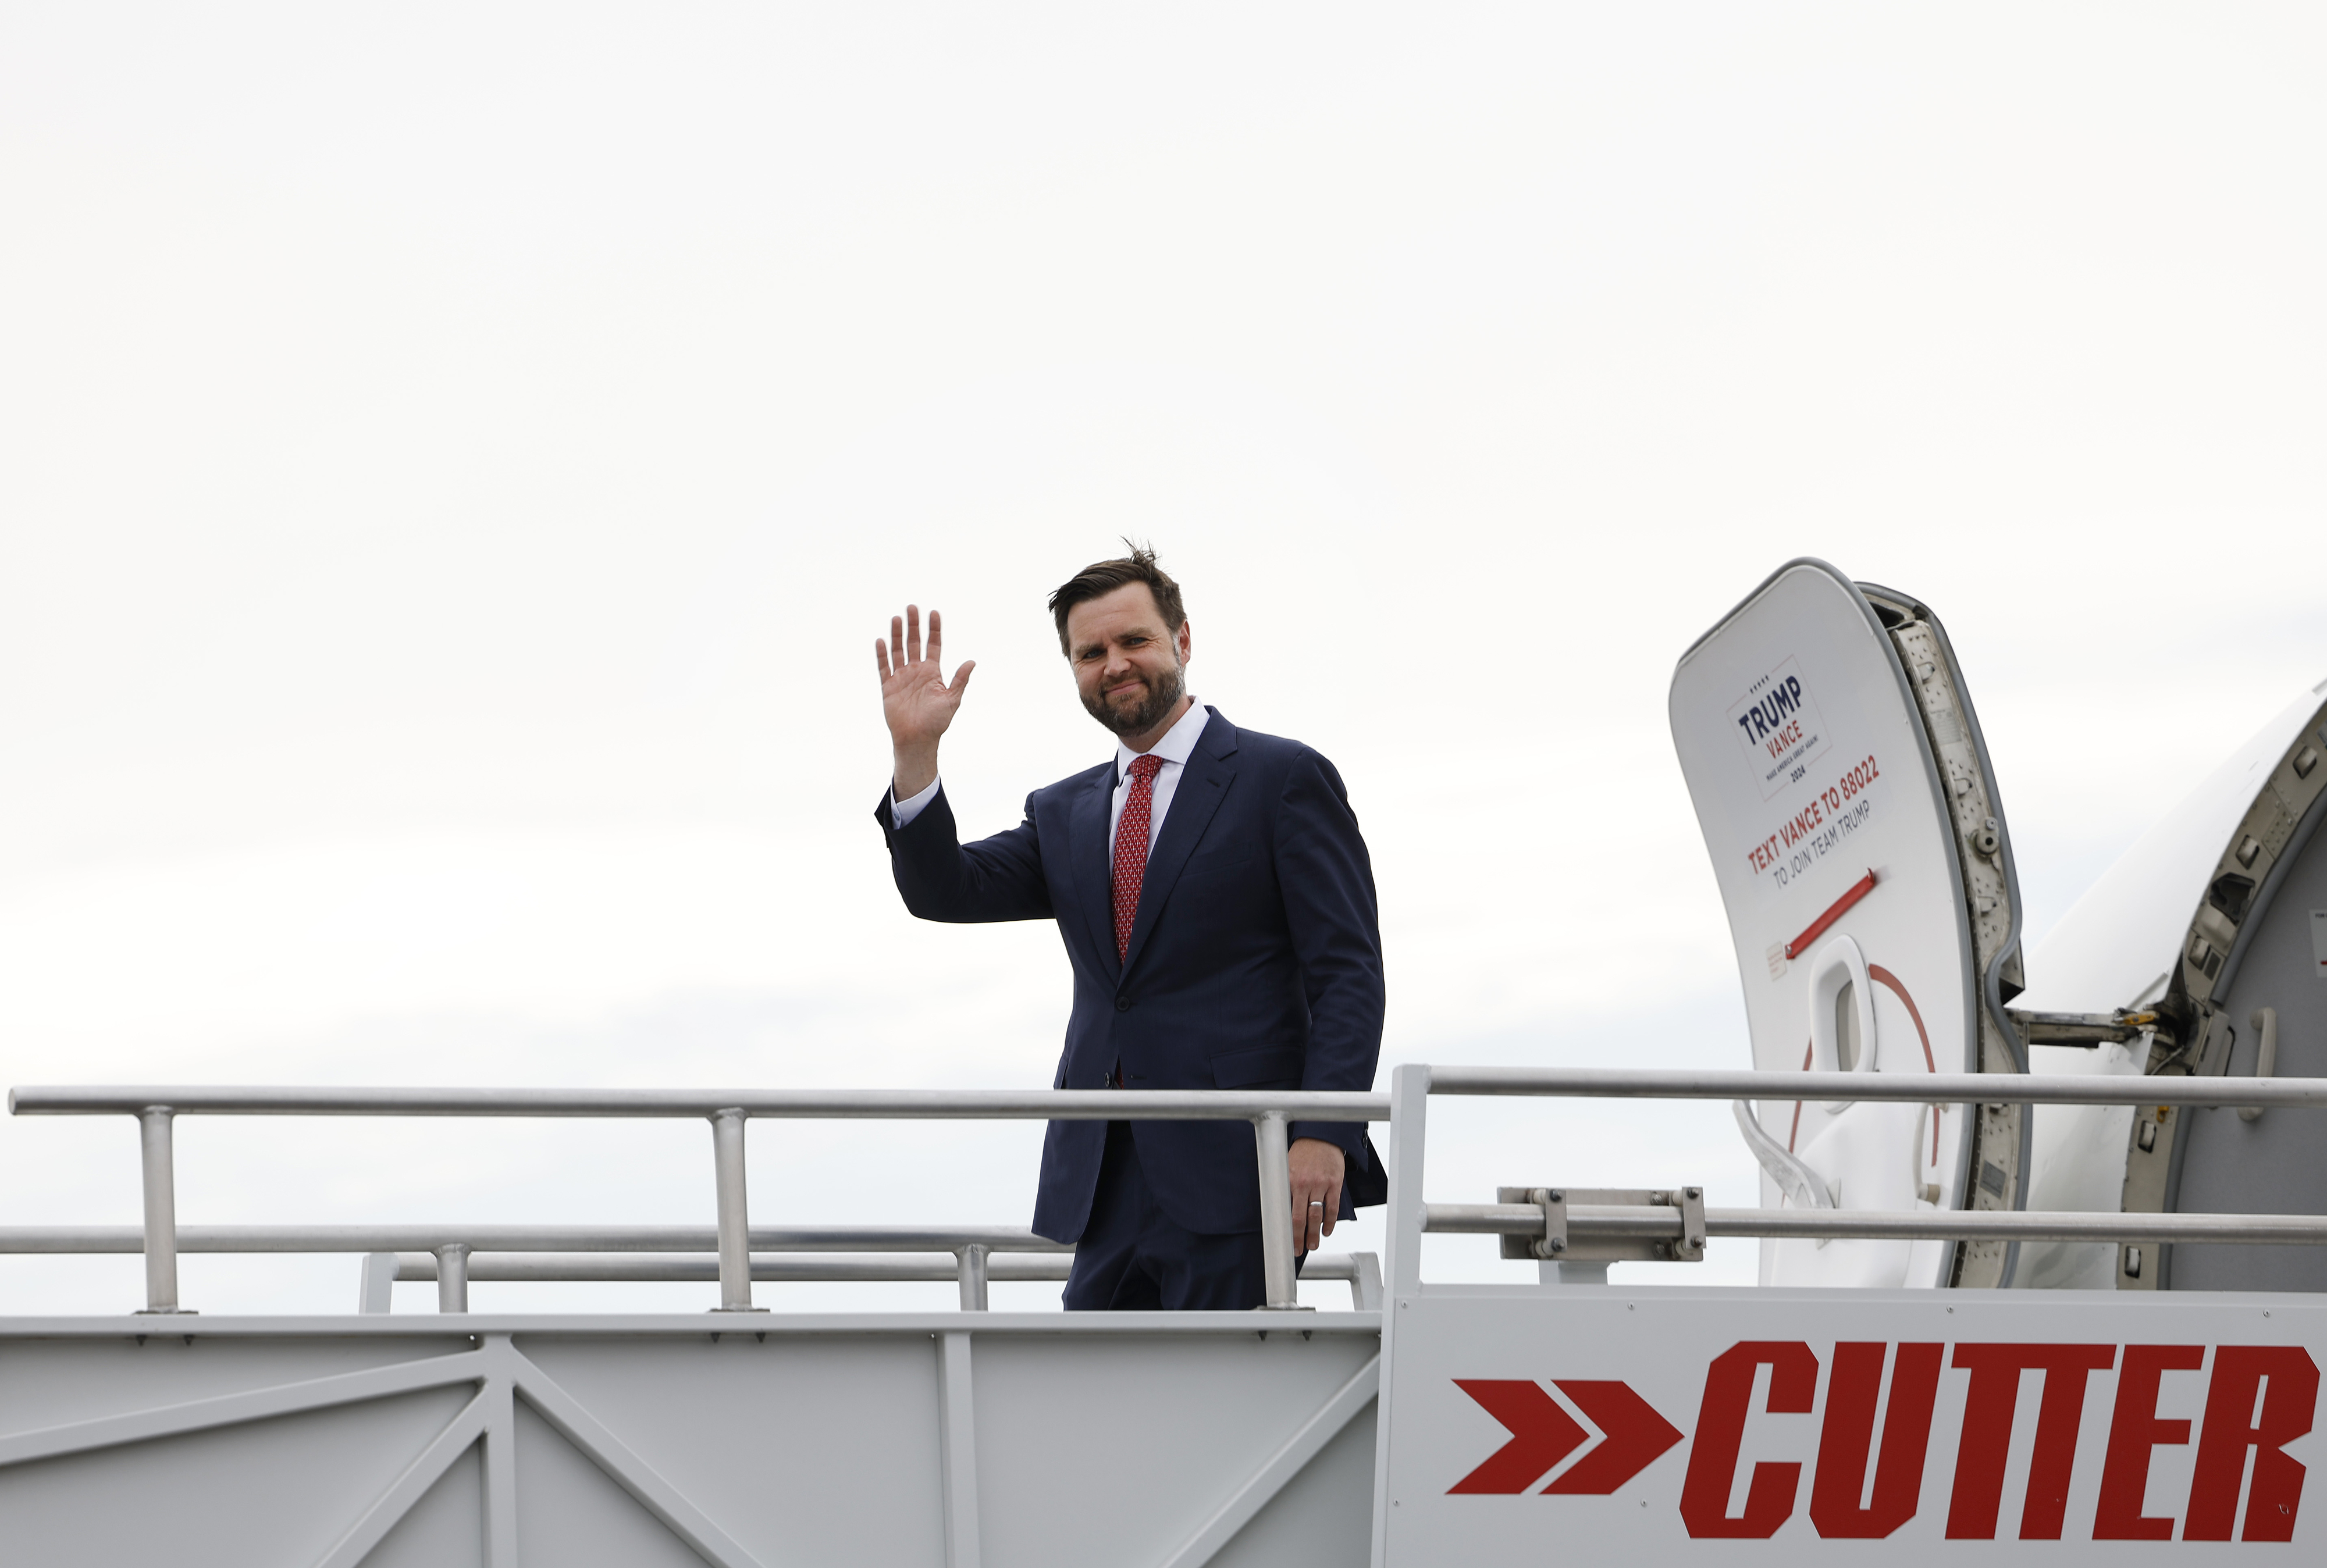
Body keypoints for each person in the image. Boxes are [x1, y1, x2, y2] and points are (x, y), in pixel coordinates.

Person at [872, 546, 1386, 1310]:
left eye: (1134, 640)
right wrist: (916, 755)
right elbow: (945, 890)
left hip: (1241, 1164)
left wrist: (1320, 1132)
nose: (1114, 663)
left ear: (1182, 639)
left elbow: (1348, 973)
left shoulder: (1282, 780)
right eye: (1091, 653)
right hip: (1104, 1170)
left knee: (1233, 1403)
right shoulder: (1063, 811)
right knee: (1096, 1406)